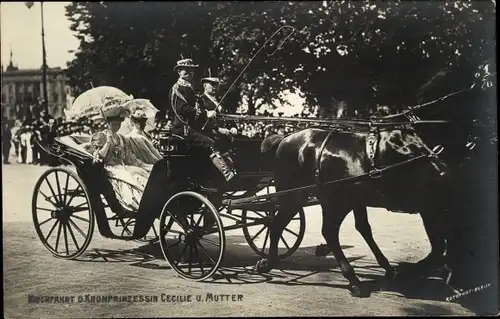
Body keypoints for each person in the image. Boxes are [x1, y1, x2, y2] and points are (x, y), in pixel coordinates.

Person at [168, 58, 236, 184]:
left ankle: (230, 172)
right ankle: (227, 176)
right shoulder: (177, 89)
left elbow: (198, 107)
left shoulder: (190, 88)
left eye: (191, 70)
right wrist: (206, 113)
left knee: (218, 141)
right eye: (185, 70)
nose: (189, 73)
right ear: (179, 72)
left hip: (193, 128)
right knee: (210, 142)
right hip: (182, 129)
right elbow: (182, 109)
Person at [83, 108, 161, 213]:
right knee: (129, 176)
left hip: (123, 165)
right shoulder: (101, 136)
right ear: (108, 123)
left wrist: (140, 164)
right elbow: (99, 158)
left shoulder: (121, 138)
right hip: (110, 168)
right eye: (114, 124)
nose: (116, 127)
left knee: (142, 172)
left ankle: (154, 199)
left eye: (118, 124)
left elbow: (128, 157)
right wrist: (108, 142)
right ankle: (141, 203)